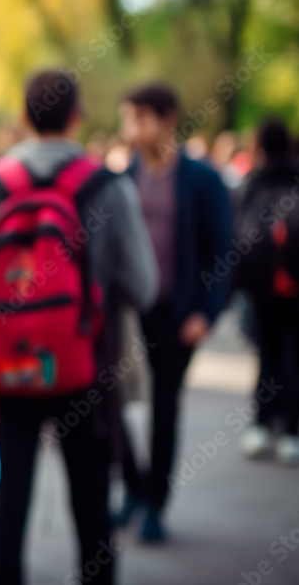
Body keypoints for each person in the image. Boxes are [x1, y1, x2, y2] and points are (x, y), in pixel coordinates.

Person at [0, 69, 158, 585]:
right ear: (76, 117)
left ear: (24, 117)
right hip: (87, 364)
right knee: (93, 501)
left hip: (5, 366)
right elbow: (144, 284)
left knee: (8, 497)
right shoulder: (107, 185)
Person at [115, 82, 233, 541]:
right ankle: (133, 487)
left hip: (177, 314)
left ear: (167, 119)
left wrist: (206, 312)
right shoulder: (126, 176)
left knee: (165, 408)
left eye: (139, 118)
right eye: (127, 118)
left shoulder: (202, 179)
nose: (130, 129)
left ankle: (155, 506)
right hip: (127, 313)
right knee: (114, 405)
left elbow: (222, 251)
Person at [234, 117, 299, 463]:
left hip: (262, 286)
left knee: (268, 355)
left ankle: (263, 424)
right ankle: (291, 430)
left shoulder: (252, 183)